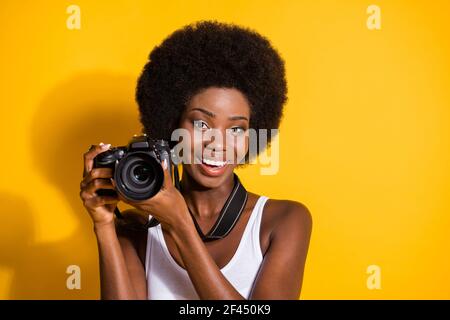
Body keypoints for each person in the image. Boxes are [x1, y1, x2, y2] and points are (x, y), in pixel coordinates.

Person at [79, 21, 312, 300]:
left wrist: (180, 224)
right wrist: (104, 226)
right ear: (172, 127)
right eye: (201, 125)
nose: (218, 143)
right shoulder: (137, 227)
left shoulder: (284, 220)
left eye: (236, 129)